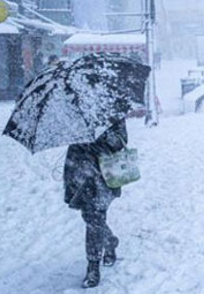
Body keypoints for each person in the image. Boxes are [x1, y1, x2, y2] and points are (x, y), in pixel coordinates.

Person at [64, 119, 127, 288]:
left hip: (104, 175)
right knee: (90, 218)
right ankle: (110, 241)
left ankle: (93, 266)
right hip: (79, 173)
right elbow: (69, 140)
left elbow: (120, 141)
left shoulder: (110, 112)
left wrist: (98, 138)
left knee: (94, 220)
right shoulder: (73, 113)